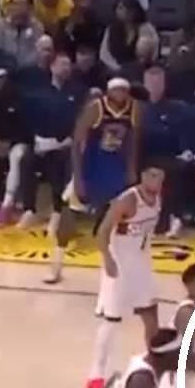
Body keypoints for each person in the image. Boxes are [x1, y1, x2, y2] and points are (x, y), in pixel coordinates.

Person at [55, 77, 139, 298]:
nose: (121, 94)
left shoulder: (134, 109)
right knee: (69, 217)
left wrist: (131, 170)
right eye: (117, 90)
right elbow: (76, 144)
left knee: (118, 224)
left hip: (116, 172)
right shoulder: (95, 109)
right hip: (90, 168)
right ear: (109, 92)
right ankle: (56, 266)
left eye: (124, 90)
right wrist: (78, 178)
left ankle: (115, 272)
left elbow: (133, 141)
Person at [86, 163, 165, 381]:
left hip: (141, 262)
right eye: (152, 175)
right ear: (143, 176)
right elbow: (102, 232)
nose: (156, 180)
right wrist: (108, 259)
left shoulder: (157, 199)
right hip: (119, 263)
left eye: (160, 177)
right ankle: (97, 371)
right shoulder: (128, 200)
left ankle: (154, 361)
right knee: (112, 321)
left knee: (150, 314)